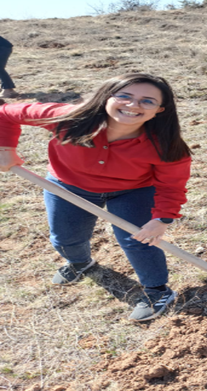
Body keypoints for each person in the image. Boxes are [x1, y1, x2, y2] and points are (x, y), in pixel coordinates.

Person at [0, 73, 192, 321]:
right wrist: (5, 148)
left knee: (139, 240)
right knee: (65, 237)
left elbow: (172, 186)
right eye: (125, 96)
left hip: (133, 191)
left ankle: (157, 291)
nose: (133, 105)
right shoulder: (68, 118)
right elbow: (5, 114)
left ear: (159, 110)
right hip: (68, 187)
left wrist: (161, 220)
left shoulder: (166, 145)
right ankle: (80, 262)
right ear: (106, 97)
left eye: (147, 101)